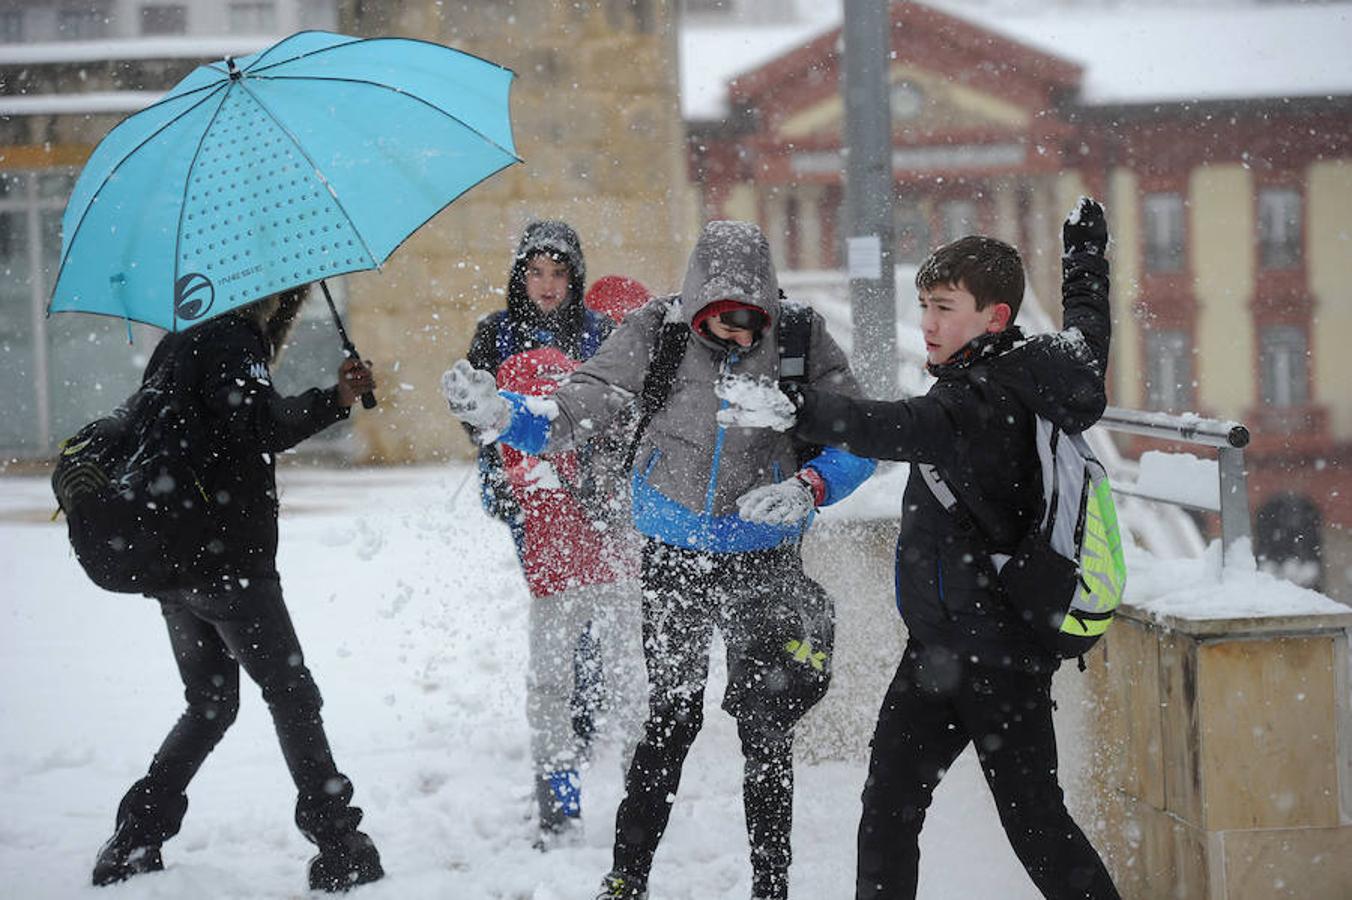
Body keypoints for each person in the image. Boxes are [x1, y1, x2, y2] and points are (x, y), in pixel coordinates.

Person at [442, 220, 877, 900]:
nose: (737, 340)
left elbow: (860, 436)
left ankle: (771, 883)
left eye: (749, 325)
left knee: (765, 731)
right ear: (696, 305)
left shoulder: (799, 334)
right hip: (673, 556)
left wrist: (809, 487)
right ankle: (628, 875)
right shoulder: (659, 330)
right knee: (669, 721)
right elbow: (573, 410)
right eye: (720, 324)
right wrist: (505, 417)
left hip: (764, 561)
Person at [719, 199, 1121, 899]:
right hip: (941, 649)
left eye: (943, 308)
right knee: (890, 811)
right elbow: (1089, 337)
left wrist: (802, 409)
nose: (927, 324)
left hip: (996, 661)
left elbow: (894, 426)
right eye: (923, 306)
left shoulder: (978, 403)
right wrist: (1086, 260)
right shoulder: (1047, 367)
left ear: (994, 318)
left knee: (1032, 826)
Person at [91, 286, 384, 893]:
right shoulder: (232, 339)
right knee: (292, 693)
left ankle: (137, 836)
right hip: (229, 562)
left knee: (210, 702)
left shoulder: (178, 343)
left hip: (177, 563)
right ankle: (338, 840)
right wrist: (337, 398)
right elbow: (260, 424)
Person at [463, 221, 645, 845]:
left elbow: (622, 414)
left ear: (575, 277)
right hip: (532, 510)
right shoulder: (495, 332)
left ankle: (639, 788)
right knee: (560, 633)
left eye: (558, 273)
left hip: (601, 512)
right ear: (520, 276)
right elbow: (477, 420)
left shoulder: (597, 333)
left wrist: (596, 476)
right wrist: (497, 457)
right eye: (535, 272)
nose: (546, 285)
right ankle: (562, 778)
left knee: (621, 653)